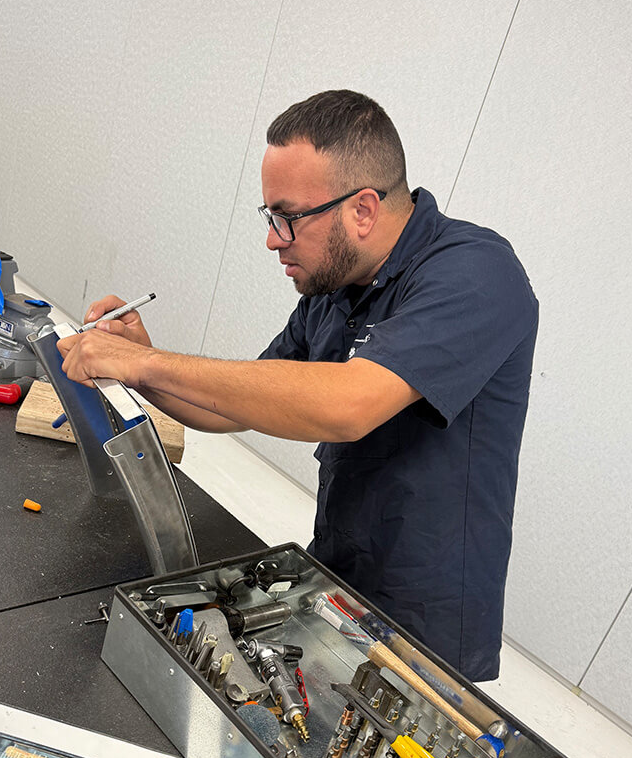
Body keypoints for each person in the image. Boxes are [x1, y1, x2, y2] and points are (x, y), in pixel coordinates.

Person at [57, 90, 538, 682]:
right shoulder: (335, 287)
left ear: (362, 209)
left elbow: (349, 405)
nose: (273, 239)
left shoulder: (475, 272)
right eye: (269, 218)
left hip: (424, 616)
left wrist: (149, 368)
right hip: (338, 571)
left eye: (287, 217)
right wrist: (140, 357)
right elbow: (233, 408)